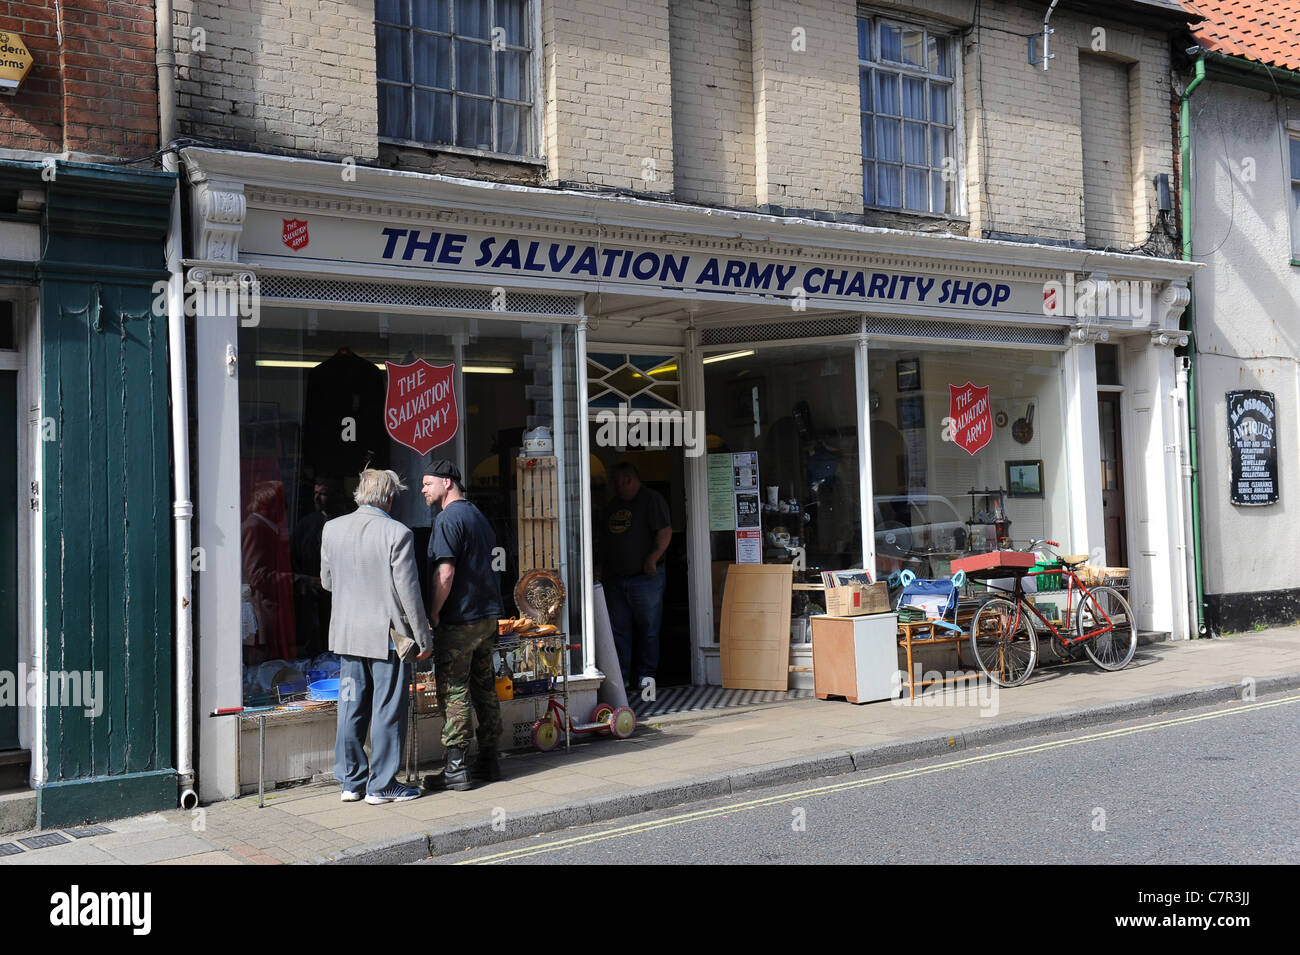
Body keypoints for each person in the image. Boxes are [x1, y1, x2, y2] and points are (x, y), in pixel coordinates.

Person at [321, 469, 433, 805]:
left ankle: (350, 782)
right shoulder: (397, 533)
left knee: (350, 707)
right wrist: (424, 640)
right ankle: (382, 785)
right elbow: (409, 593)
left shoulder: (331, 528)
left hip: (347, 638)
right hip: (388, 639)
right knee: (387, 710)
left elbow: (327, 582)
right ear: (388, 496)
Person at [421, 459, 505, 791]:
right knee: (484, 686)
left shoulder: (447, 519)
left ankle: (456, 767)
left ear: (448, 483)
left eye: (428, 483)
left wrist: (434, 612)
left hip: (460, 620)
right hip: (487, 617)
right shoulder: (477, 516)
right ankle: (490, 759)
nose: (423, 490)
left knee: (454, 689)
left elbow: (445, 573)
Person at [598, 462, 672, 692]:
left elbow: (665, 530)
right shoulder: (612, 506)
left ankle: (646, 676)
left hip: (645, 578)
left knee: (648, 629)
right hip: (617, 579)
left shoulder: (651, 500)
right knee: (619, 631)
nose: (618, 487)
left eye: (621, 482)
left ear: (631, 479)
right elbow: (605, 540)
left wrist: (653, 557)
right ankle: (622, 679)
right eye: (615, 482)